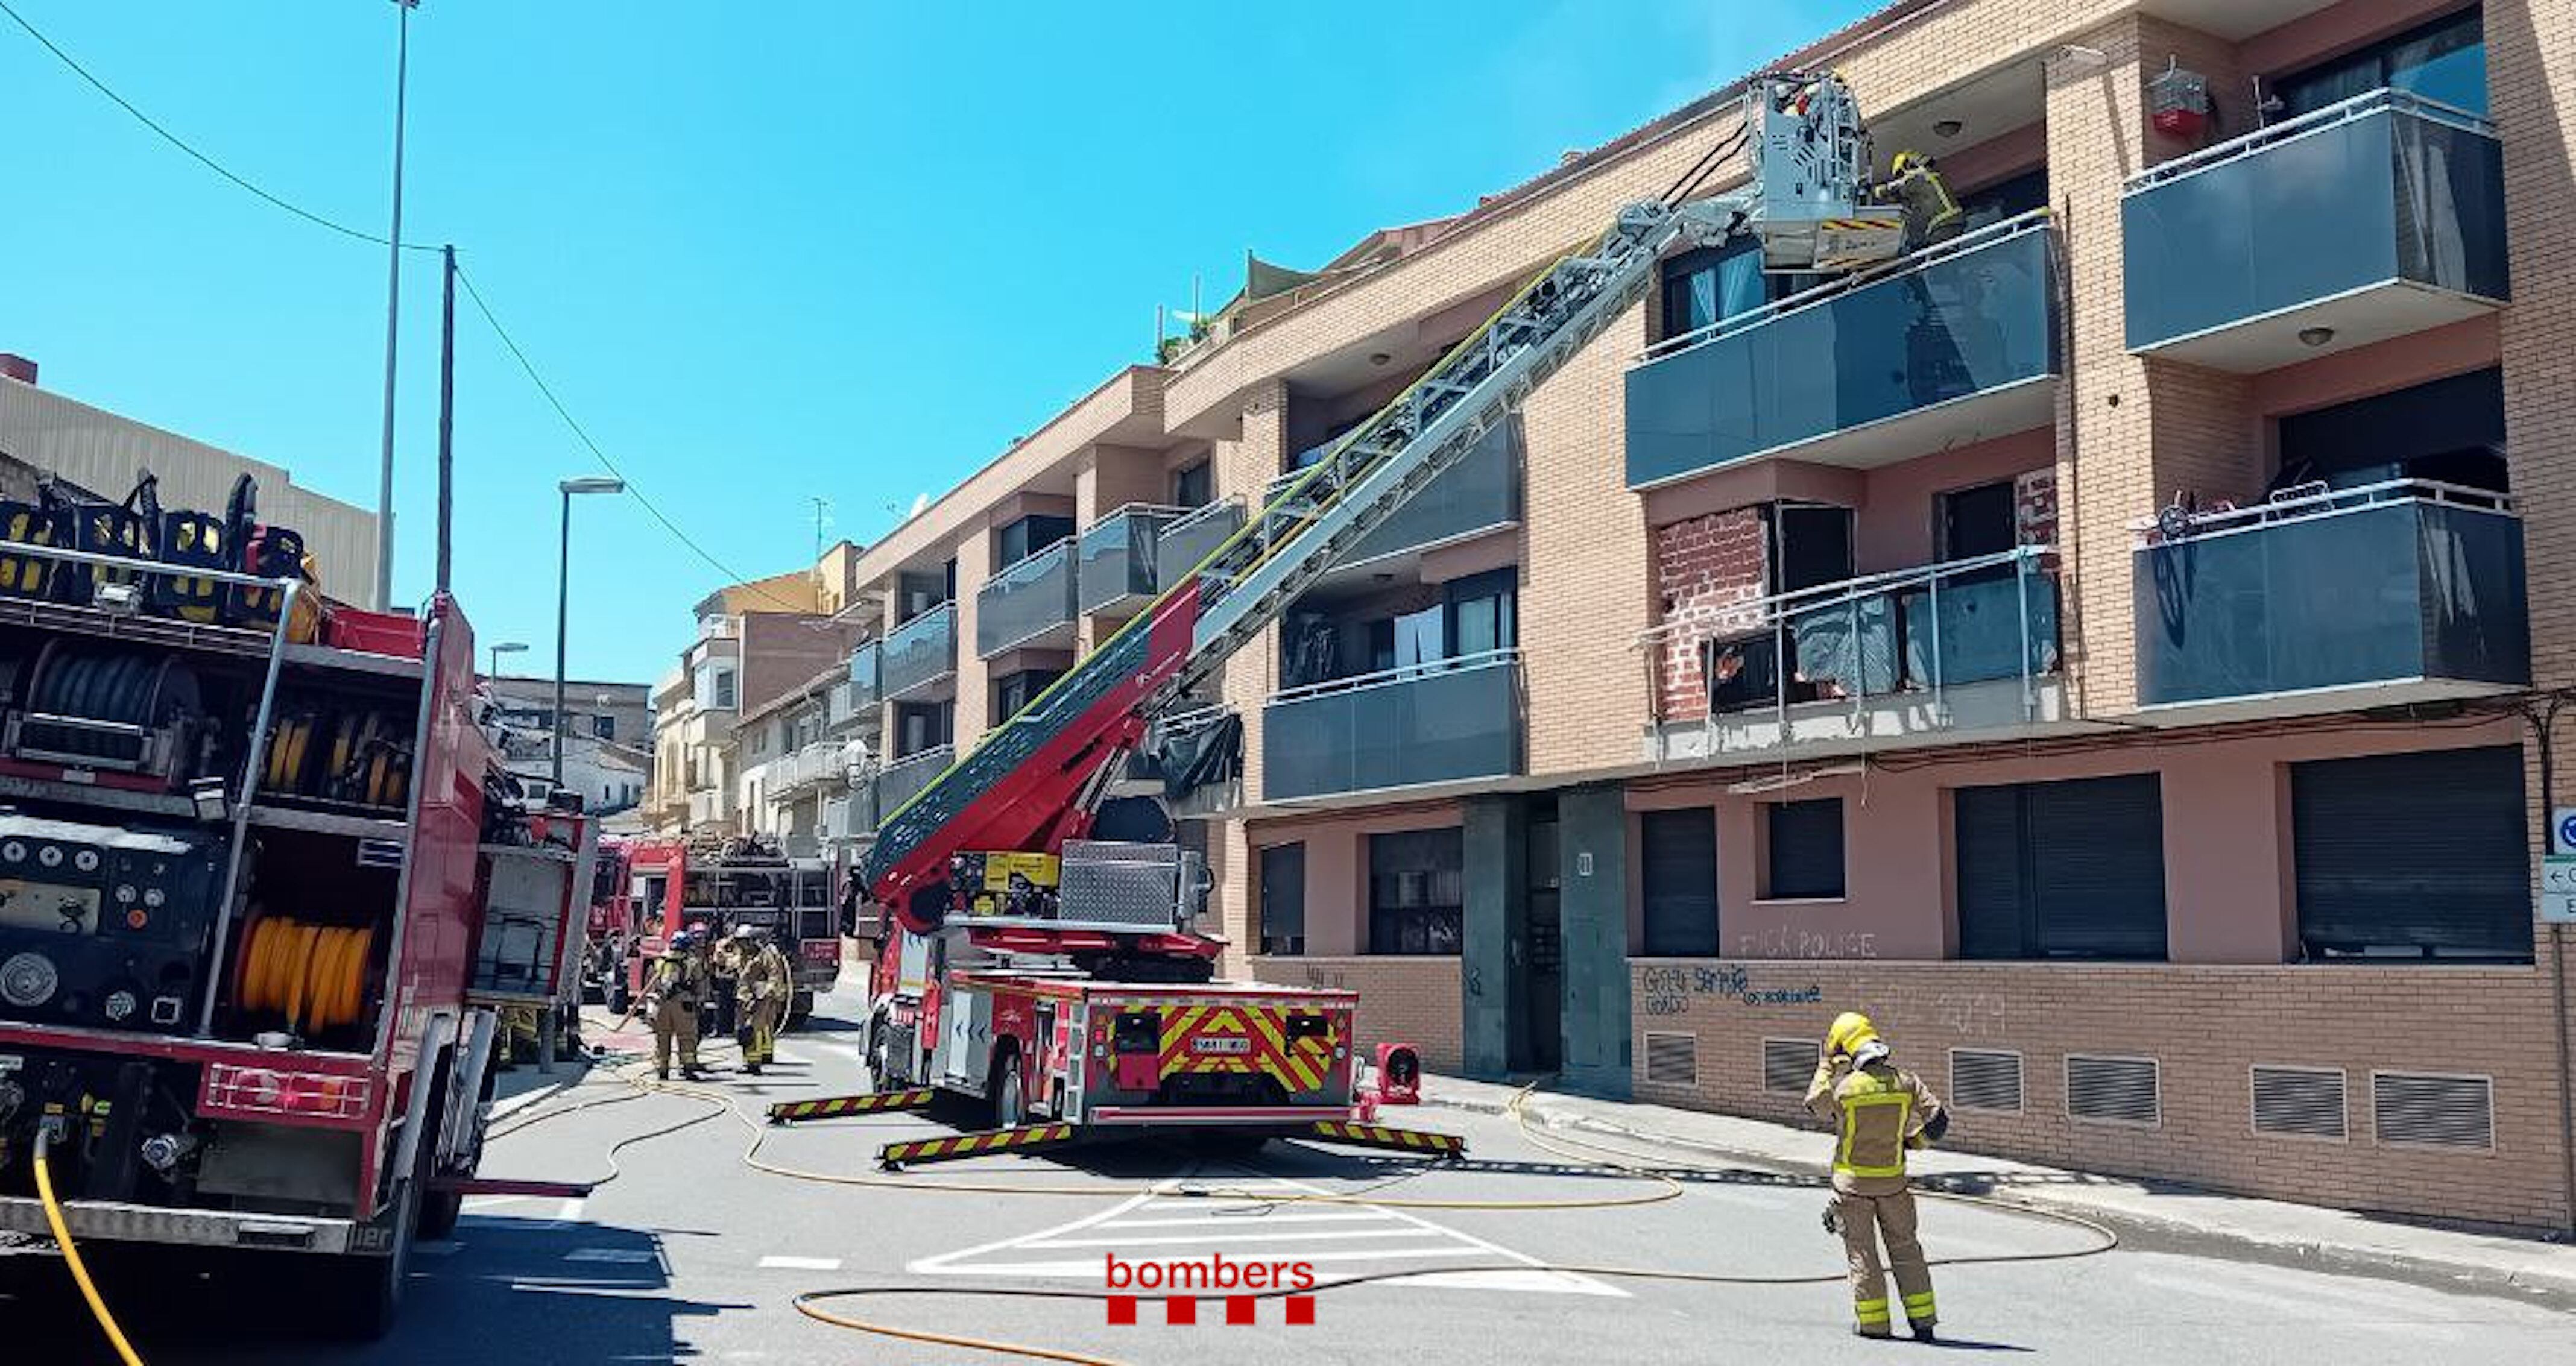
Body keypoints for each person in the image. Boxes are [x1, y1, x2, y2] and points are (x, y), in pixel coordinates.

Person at [1806, 1010, 1948, 1341]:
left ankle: (1874, 1324)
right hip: (1894, 1185)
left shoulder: (1845, 1089)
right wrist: (1914, 1143)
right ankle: (1923, 1321)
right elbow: (1940, 1122)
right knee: (1907, 1249)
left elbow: (1814, 1104)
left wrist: (1827, 1063)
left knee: (1863, 1255)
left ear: (1847, 1049)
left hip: (1853, 1189)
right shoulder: (1906, 1082)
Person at [644, 931, 711, 1082]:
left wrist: (650, 1006)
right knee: (687, 1037)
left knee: (662, 1037)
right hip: (684, 1005)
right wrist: (701, 1002)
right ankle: (687, 1068)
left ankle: (663, 1070)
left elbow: (651, 984)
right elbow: (700, 984)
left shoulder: (660, 960)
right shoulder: (692, 962)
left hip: (662, 1005)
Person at [1872, 150, 1963, 253]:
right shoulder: (1930, 176)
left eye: (1900, 174)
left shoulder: (1916, 177)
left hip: (1943, 224)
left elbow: (1895, 187)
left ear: (1906, 166)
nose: (1901, 177)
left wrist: (1874, 191)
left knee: (1937, 258)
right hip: (1953, 222)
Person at [732, 925, 792, 1075]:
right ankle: (749, 1062)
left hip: (759, 999)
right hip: (743, 998)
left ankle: (754, 1064)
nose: (742, 945)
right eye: (740, 941)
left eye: (745, 941)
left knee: (752, 1029)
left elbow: (774, 974)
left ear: (752, 941)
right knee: (743, 1031)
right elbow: (728, 965)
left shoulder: (764, 955)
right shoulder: (741, 955)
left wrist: (767, 992)